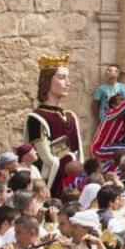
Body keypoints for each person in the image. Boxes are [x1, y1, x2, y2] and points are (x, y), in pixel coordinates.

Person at [27, 55, 80, 192]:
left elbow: (78, 151)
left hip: (72, 180)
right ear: (48, 80)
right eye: (62, 77)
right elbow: (45, 157)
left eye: (67, 78)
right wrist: (70, 161)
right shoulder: (37, 117)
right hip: (51, 181)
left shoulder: (70, 116)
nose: (68, 83)